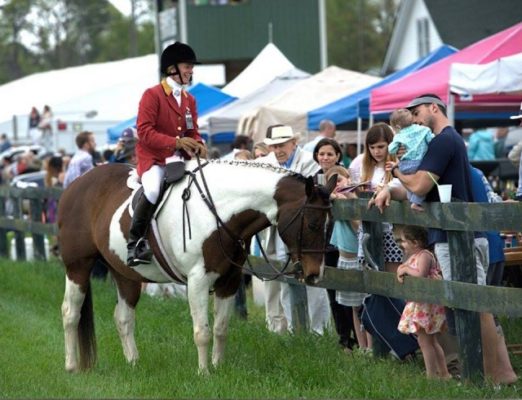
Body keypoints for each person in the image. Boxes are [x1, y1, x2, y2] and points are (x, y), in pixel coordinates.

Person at [371, 93, 517, 385]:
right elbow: (416, 190)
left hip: (460, 237)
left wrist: (396, 171)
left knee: (475, 305)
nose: (414, 118)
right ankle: (492, 373)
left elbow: (421, 183)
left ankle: (496, 375)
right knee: (469, 304)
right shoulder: (443, 141)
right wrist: (392, 188)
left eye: (417, 112)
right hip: (455, 236)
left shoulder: (443, 140)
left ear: (433, 108)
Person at [128, 41, 207, 267]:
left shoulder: (189, 99)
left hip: (180, 160)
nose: (191, 70)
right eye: (187, 66)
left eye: (191, 67)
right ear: (172, 68)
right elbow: (144, 131)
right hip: (154, 159)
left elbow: (192, 131)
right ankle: (135, 243)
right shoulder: (152, 95)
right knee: (153, 189)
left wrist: (199, 143)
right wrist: (176, 142)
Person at [257, 124, 330, 334]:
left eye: (282, 145)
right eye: (274, 146)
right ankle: (290, 328)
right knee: (285, 276)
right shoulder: (264, 164)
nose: (278, 150)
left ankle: (319, 330)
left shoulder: (309, 163)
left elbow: (317, 194)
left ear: (294, 143)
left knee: (313, 276)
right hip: (278, 227)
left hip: (307, 230)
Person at [312, 139, 357, 352]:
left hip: (346, 242)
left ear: (337, 156)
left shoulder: (345, 178)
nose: (325, 158)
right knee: (333, 293)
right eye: (321, 154)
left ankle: (357, 336)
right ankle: (343, 337)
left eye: (330, 154)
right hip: (324, 243)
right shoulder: (313, 181)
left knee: (352, 290)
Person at [395, 225, 450, 380]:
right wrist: (401, 269)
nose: (402, 244)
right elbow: (405, 268)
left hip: (426, 306)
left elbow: (420, 274)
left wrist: (405, 270)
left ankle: (431, 376)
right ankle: (444, 374)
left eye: (405, 241)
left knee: (426, 342)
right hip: (419, 304)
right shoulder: (414, 256)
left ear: (416, 242)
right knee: (430, 341)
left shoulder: (425, 255)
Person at [327, 165, 370, 352]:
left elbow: (359, 228)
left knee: (365, 305)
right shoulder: (334, 202)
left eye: (339, 180)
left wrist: (348, 198)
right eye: (332, 182)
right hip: (343, 259)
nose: (337, 185)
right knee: (353, 306)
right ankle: (361, 346)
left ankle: (370, 346)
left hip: (359, 259)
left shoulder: (354, 200)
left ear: (349, 180)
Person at [352, 123, 403, 273]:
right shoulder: (365, 168)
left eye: (381, 146)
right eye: (372, 147)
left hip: (392, 229)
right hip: (368, 228)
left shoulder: (398, 167)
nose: (376, 151)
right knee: (369, 275)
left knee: (392, 278)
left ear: (390, 144)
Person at [388, 108, 434, 211]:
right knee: (421, 185)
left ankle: (411, 199)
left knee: (409, 183)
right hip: (418, 164)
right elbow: (431, 140)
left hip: (404, 165)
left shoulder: (399, 136)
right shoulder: (424, 130)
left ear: (398, 127)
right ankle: (416, 203)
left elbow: (391, 150)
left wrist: (397, 146)